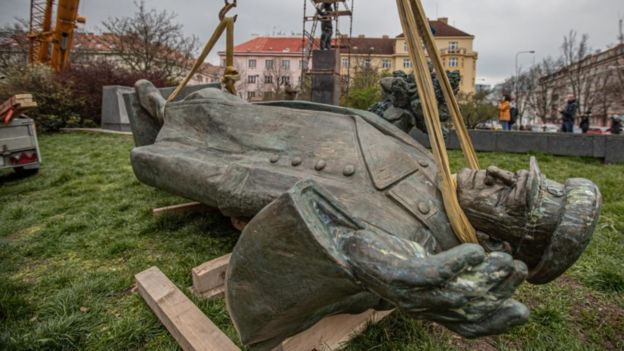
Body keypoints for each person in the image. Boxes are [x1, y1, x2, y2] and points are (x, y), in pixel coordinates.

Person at [129, 80, 601, 351]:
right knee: (211, 107)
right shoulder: (442, 176)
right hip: (265, 125)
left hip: (247, 161)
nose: (495, 172)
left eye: (509, 195)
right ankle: (170, 110)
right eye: (513, 174)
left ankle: (165, 120)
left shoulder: (415, 240)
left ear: (502, 242)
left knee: (184, 140)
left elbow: (304, 264)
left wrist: (372, 265)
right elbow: (371, 132)